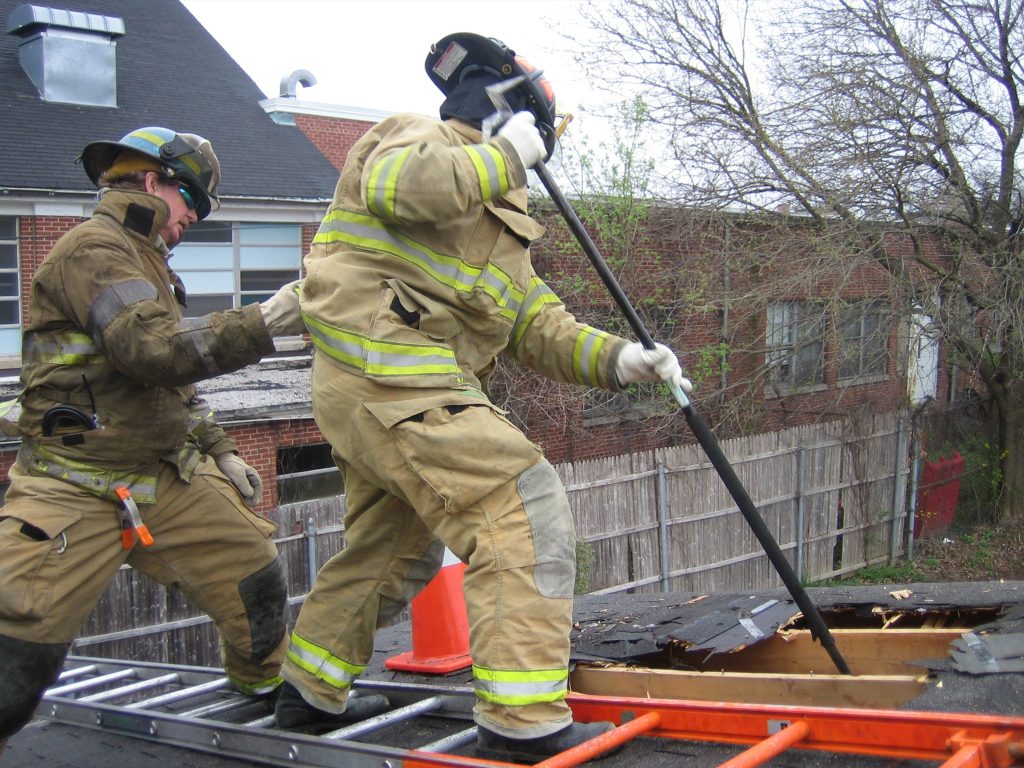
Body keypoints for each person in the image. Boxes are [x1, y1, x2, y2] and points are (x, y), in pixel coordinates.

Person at [273, 33, 691, 762]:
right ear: (507, 108)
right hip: (390, 373)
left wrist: (625, 360)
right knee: (519, 509)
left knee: (391, 548)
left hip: (381, 391)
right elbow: (401, 186)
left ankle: (308, 690)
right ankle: (522, 723)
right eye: (534, 128)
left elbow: (537, 323)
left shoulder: (500, 226)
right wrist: (504, 151)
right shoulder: (417, 137)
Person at [0, 126, 306, 747]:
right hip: (74, 486)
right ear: (151, 181)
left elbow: (169, 386)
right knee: (14, 652)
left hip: (163, 474)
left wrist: (219, 448)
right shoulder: (94, 251)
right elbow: (154, 353)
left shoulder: (147, 260)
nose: (195, 213)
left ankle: (259, 689)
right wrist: (268, 320)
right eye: (191, 195)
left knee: (256, 577)